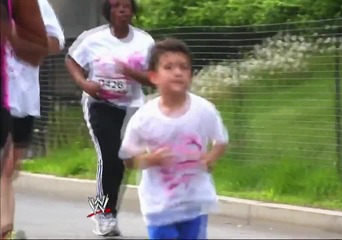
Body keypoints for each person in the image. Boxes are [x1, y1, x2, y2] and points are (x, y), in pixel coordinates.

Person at [119, 38, 229, 240]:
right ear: (153, 76)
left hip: (194, 200)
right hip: (159, 205)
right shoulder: (144, 117)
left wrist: (210, 158)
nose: (178, 72)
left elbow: (221, 141)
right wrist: (150, 160)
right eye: (169, 67)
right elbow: (128, 158)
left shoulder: (204, 110)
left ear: (191, 75)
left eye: (184, 67)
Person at [65, 0, 155, 236]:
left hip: (132, 107)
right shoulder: (92, 38)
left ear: (133, 11)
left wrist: (131, 73)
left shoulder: (145, 41)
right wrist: (84, 83)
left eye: (126, 6)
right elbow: (71, 60)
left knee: (125, 162)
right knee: (109, 159)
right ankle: (102, 215)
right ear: (108, 12)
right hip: (100, 105)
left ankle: (112, 212)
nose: (122, 10)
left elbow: (154, 77)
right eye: (116, 6)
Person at [1, 0, 64, 239]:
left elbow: (55, 42)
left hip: (23, 95)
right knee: (5, 168)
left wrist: (17, 35)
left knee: (10, 168)